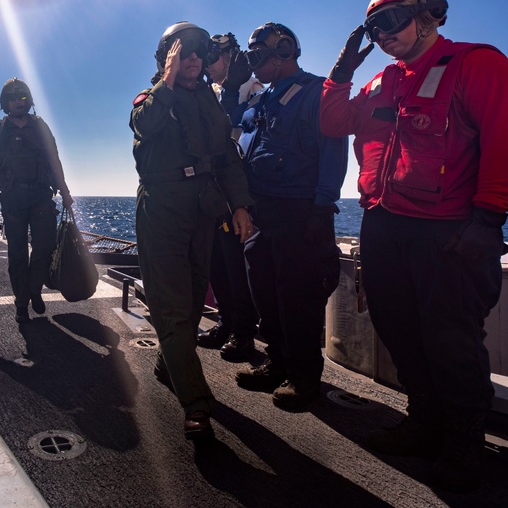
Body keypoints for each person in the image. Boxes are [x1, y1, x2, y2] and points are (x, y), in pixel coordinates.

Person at [320, 0, 508, 492]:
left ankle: (464, 444)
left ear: (430, 13)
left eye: (390, 21)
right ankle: (423, 421)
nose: (383, 35)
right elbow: (331, 122)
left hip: (449, 233)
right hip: (384, 225)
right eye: (373, 27)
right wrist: (345, 68)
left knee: (451, 341)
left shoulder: (477, 64)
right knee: (398, 329)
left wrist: (487, 221)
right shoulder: (380, 82)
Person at [131, 22, 254, 441]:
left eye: (199, 54)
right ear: (167, 59)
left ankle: (170, 362)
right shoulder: (152, 98)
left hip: (203, 208)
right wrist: (165, 81)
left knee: (196, 295)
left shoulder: (209, 102)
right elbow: (143, 126)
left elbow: (226, 159)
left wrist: (239, 205)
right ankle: (197, 404)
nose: (193, 60)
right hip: (162, 210)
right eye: (184, 53)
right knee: (172, 308)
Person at [235, 23, 348, 411]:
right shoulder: (262, 100)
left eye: (256, 57)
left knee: (298, 297)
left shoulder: (316, 93)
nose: (252, 66)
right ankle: (277, 362)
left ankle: (303, 378)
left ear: (283, 51)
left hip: (300, 211)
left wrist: (322, 205)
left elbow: (334, 149)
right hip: (262, 212)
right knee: (265, 291)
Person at [0, 78, 74, 324]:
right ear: (5, 103)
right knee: (17, 254)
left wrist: (65, 192)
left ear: (29, 101)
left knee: (44, 247)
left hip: (40, 196)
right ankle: (21, 302)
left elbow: (54, 161)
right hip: (14, 199)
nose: (18, 102)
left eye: (22, 97)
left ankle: (34, 290)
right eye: (13, 98)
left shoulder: (40, 128)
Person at [195, 33, 262, 361]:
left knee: (238, 267)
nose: (209, 63)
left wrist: (233, 92)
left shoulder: (254, 91)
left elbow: (235, 129)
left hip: (239, 194)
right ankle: (226, 321)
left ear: (233, 55)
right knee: (217, 265)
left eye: (215, 54)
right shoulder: (213, 94)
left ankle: (245, 333)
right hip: (214, 194)